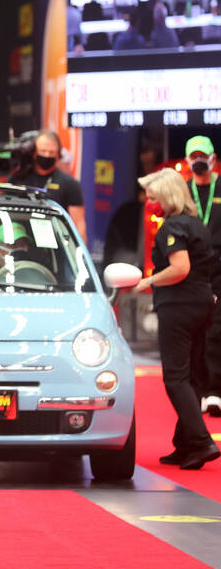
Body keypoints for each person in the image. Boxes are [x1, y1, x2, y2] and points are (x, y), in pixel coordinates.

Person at [135, 168, 220, 470]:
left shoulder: (171, 228)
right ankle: (185, 445)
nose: (148, 202)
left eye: (153, 197)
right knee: (193, 376)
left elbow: (180, 268)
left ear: (167, 197)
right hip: (202, 304)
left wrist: (149, 281)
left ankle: (199, 440)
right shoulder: (197, 224)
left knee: (175, 378)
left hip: (179, 306)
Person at [184, 135, 221, 416]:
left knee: (217, 330)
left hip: (219, 268)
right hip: (193, 271)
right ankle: (197, 388)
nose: (198, 160)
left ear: (213, 158)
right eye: (193, 155)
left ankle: (215, 390)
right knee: (196, 330)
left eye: (202, 155)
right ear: (187, 160)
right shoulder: (184, 192)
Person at [11, 130, 87, 241]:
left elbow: (79, 224)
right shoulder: (18, 179)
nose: (47, 155)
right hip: (19, 238)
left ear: (58, 154)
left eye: (51, 152)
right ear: (34, 152)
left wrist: (80, 255)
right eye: (43, 151)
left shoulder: (70, 184)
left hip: (55, 243)